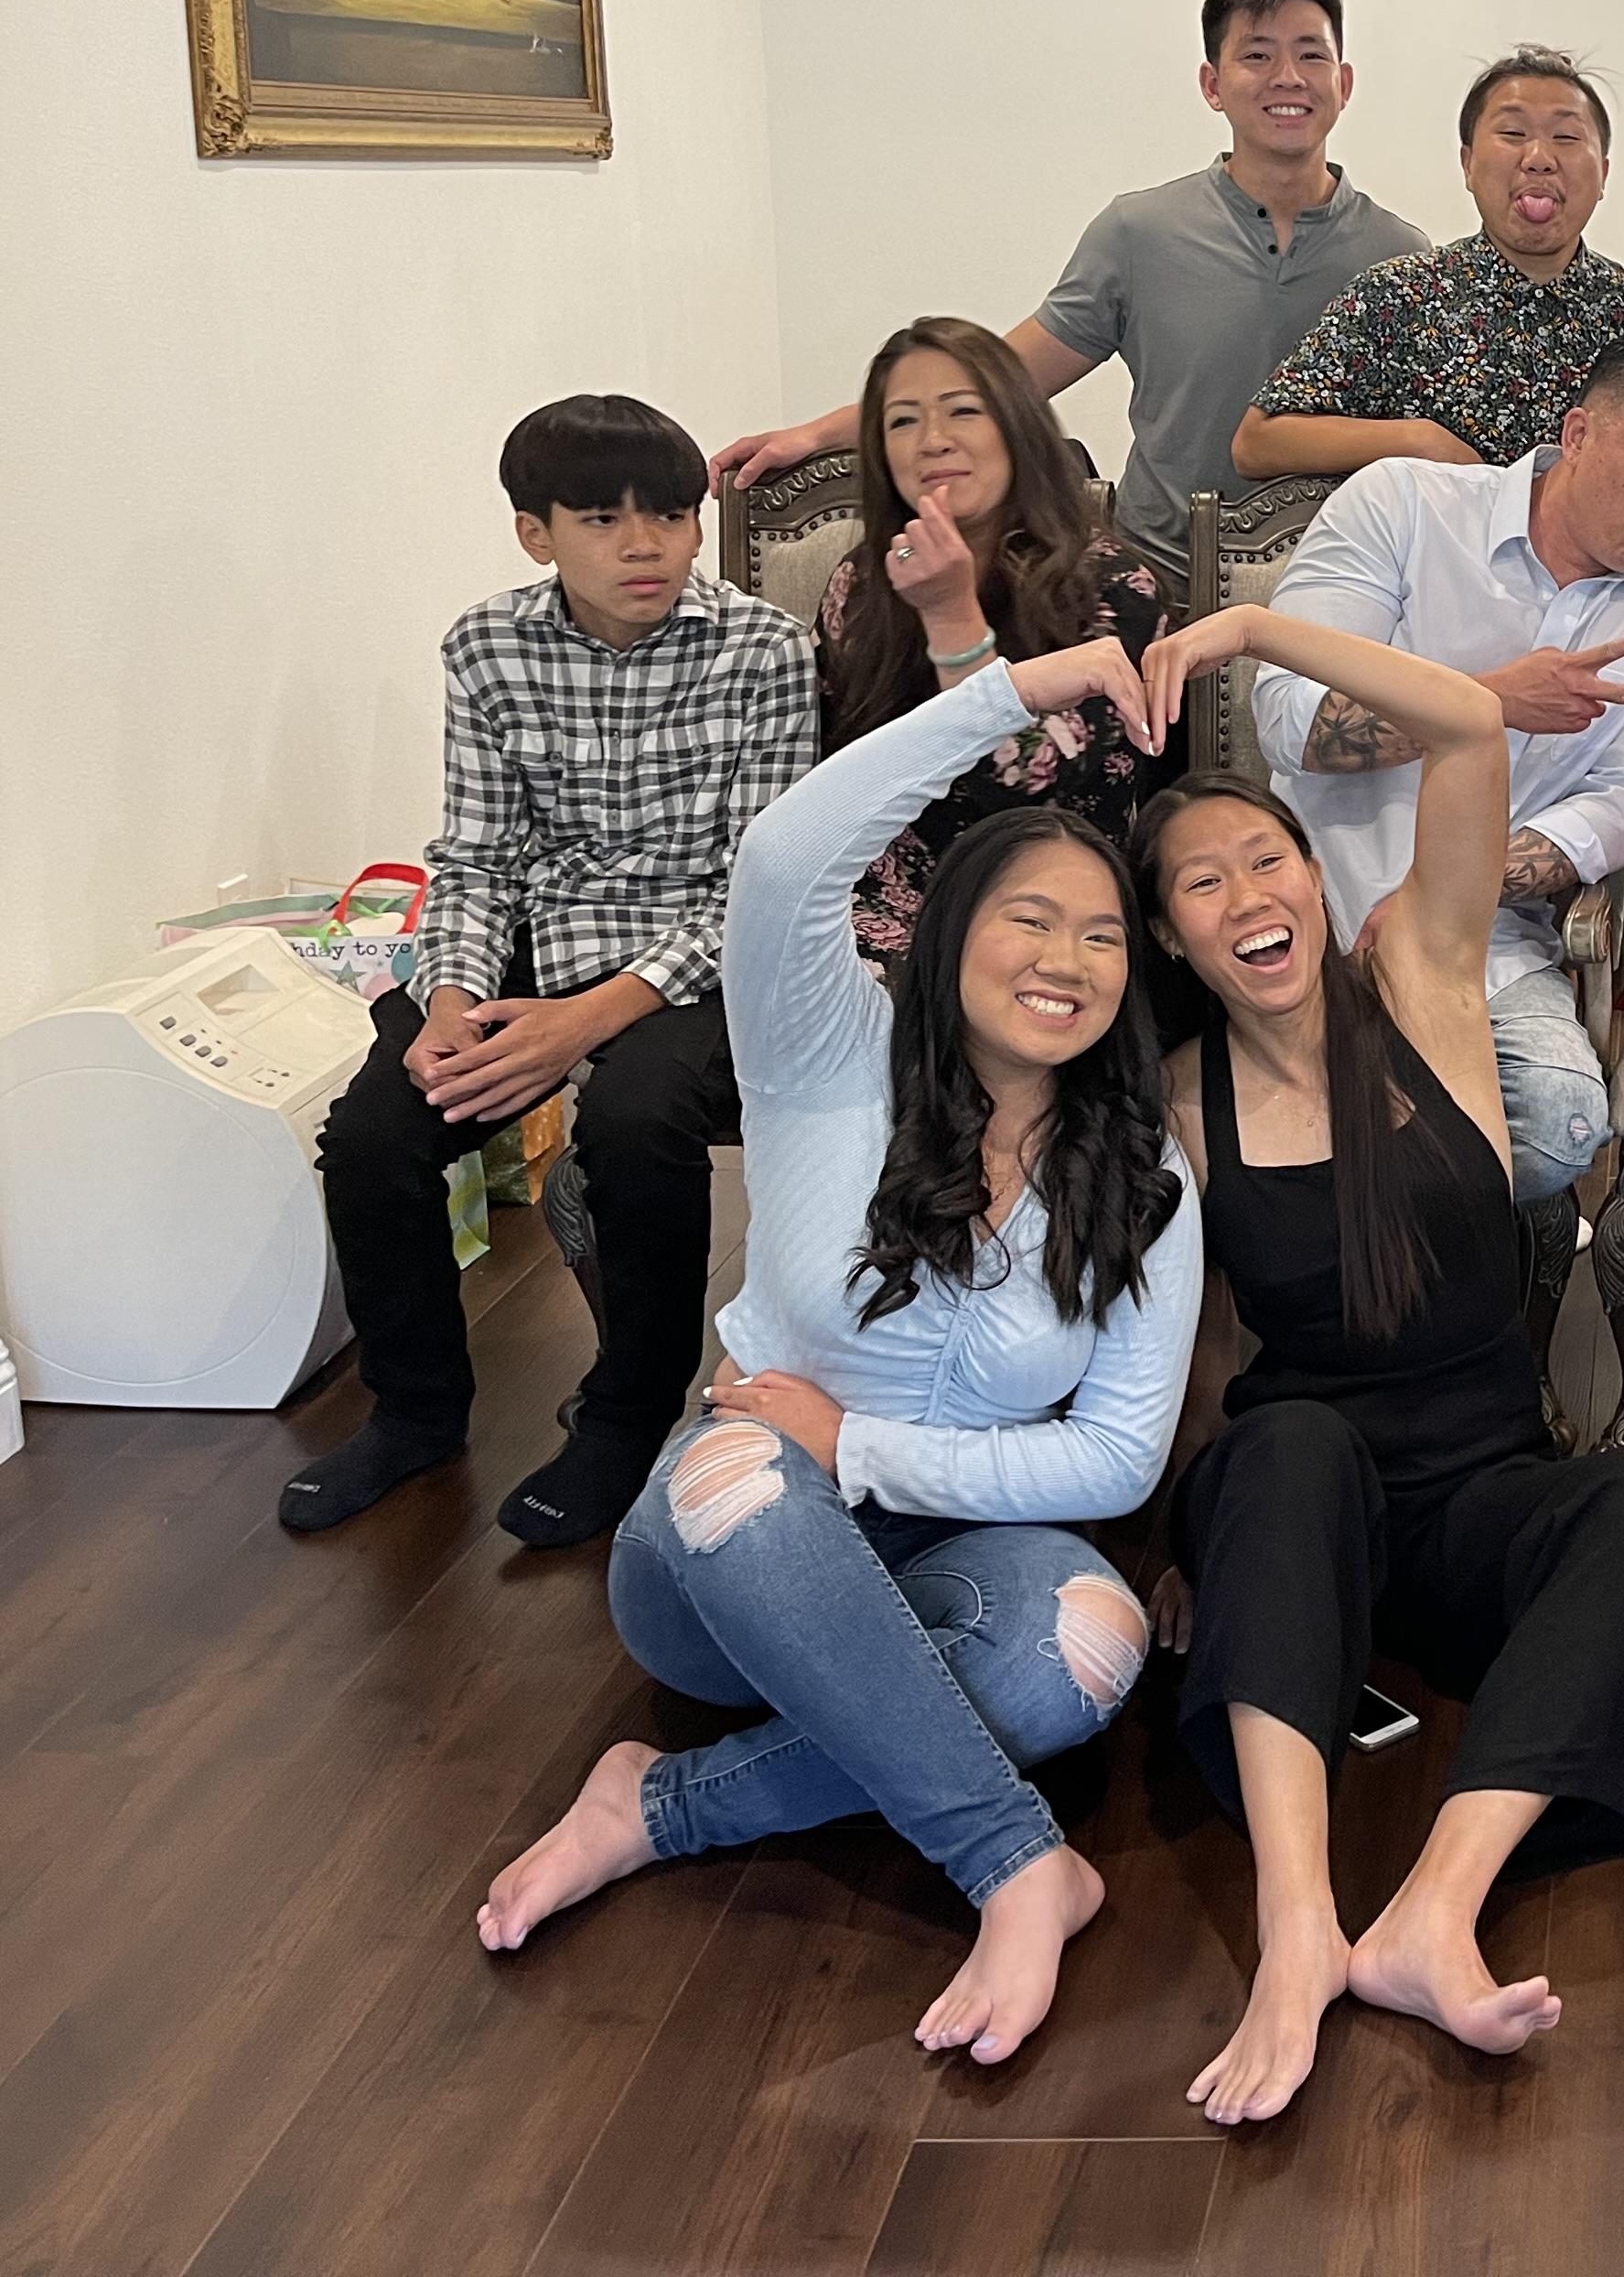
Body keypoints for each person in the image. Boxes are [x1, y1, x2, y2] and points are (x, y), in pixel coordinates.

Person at [473, 631, 1199, 2078]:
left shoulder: (1140, 1178)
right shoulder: (825, 1049)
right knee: (746, 1471)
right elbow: (787, 854)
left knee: (1090, 1655)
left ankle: (656, 1806)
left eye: (1103, 934)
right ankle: (1014, 1861)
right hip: (723, 1569)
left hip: (952, 1551)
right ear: (945, 933)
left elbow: (1118, 1458)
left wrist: (856, 1445)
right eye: (1029, 920)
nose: (1067, 959)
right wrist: (1012, 691)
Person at [1130, 602, 1624, 2128]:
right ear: (1173, 935)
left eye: (1267, 860)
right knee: (1286, 1445)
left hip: (1475, 1499)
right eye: (1202, 882)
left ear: (1317, 879)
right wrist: (1183, 1528)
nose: (1248, 895)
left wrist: (1253, 627)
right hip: (1305, 1502)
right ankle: (1299, 1920)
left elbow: (1462, 719)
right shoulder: (1183, 1102)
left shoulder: (1432, 982)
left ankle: (1437, 1905)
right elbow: (1198, 1351)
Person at [285, 397, 817, 1548]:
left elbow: (761, 884)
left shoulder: (766, 650)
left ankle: (626, 1418)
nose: (644, 545)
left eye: (672, 516)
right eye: (602, 519)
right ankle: (415, 1410)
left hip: (696, 955)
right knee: (379, 1131)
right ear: (537, 534)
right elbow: (475, 859)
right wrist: (450, 1005)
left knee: (633, 1119)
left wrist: (584, 1024)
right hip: (542, 930)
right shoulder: (486, 646)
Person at [712, 0, 1431, 573]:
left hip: (1343, 589)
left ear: (1344, 80)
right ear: (1212, 84)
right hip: (1164, 586)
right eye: (1257, 55)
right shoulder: (1139, 233)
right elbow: (999, 380)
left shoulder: (1401, 258)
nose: (1288, 77)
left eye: (1310, 55)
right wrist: (814, 434)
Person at [1249, 332, 1624, 1203]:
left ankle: (1372, 1250)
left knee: (1561, 1129)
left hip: (1482, 942)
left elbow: (1618, 804)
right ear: (1579, 433)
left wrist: (1446, 896)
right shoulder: (1406, 502)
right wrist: (1486, 704)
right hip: (1307, 906)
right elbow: (1292, 721)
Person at [817, 316, 1168, 957]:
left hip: (1054, 900)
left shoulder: (1115, 586)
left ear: (1016, 427)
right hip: (886, 908)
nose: (933, 441)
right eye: (902, 421)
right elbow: (840, 771)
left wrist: (951, 617)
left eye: (963, 411)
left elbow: (1021, 795)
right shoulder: (863, 583)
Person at [1232, 48, 1624, 483]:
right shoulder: (1397, 297)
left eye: (1567, 137)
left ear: (1604, 174)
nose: (1539, 159)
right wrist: (1415, 439)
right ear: (1468, 164)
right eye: (1513, 134)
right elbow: (1258, 441)